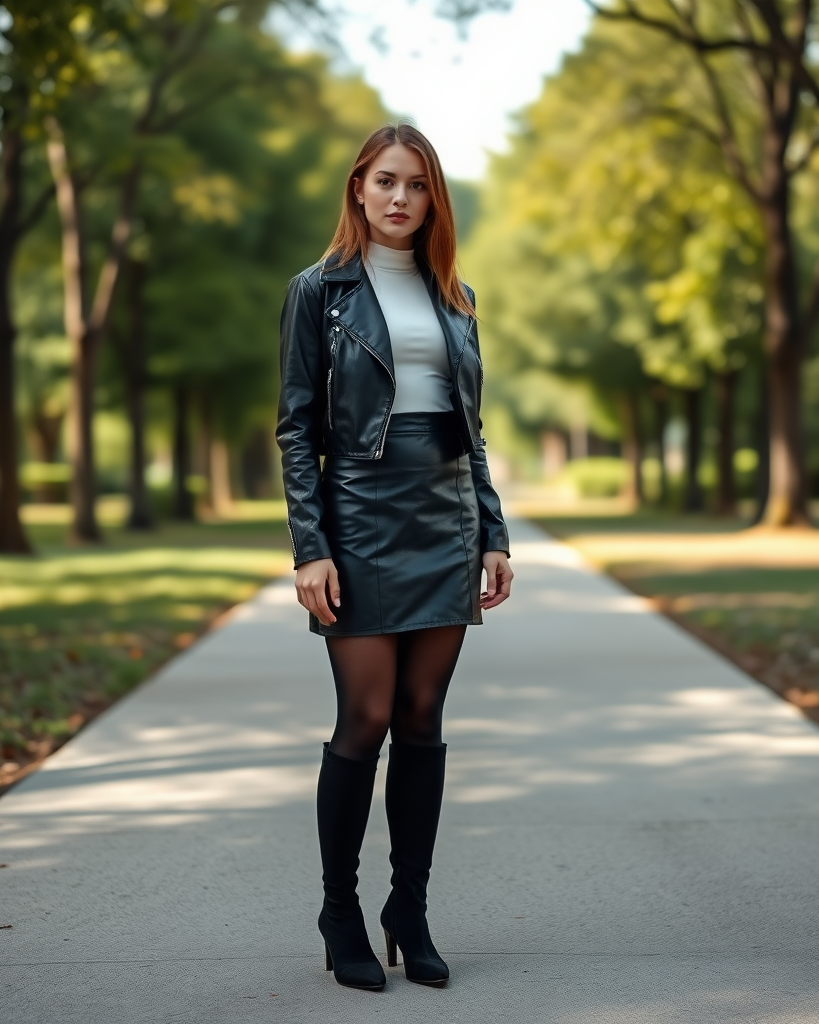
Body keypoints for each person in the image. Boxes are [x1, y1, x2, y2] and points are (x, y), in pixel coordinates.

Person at [276, 122, 512, 991]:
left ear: (433, 197)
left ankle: (407, 911)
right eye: (385, 181)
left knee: (423, 721)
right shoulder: (319, 291)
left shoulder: (457, 296)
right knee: (365, 718)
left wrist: (492, 530)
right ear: (358, 189)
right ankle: (341, 910)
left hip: (444, 514)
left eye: (416, 184)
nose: (400, 197)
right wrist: (312, 548)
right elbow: (296, 427)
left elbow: (472, 430)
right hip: (361, 514)